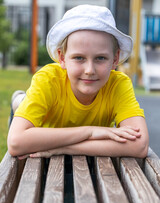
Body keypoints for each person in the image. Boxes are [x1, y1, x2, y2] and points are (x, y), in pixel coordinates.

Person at [7, 4, 149, 159]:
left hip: (51, 141)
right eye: (79, 58)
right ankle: (19, 101)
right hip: (41, 120)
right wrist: (90, 131)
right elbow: (16, 143)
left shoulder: (118, 84)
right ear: (62, 58)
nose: (89, 70)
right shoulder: (49, 79)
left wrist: (65, 148)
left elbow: (139, 145)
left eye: (100, 58)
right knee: (23, 104)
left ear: (115, 59)